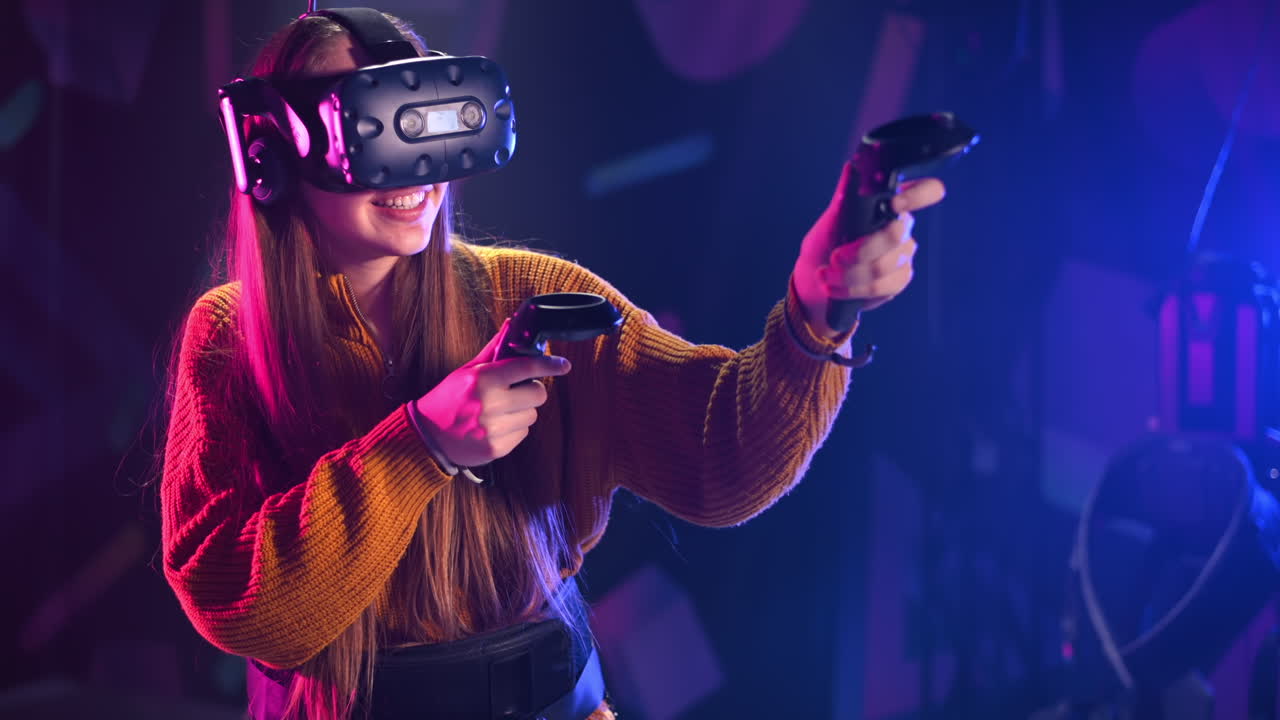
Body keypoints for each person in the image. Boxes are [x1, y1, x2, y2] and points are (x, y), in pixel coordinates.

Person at [159, 10, 945, 720]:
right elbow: (244, 607)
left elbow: (723, 457)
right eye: (370, 132)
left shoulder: (530, 294)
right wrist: (422, 444)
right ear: (270, 155)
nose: (415, 176)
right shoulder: (228, 336)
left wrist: (817, 312)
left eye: (427, 125)